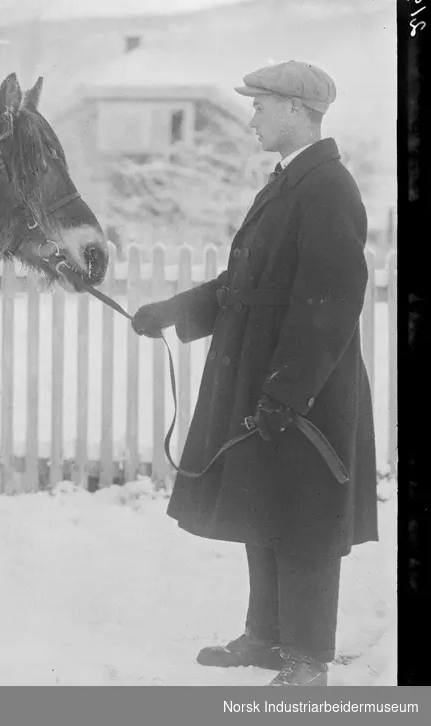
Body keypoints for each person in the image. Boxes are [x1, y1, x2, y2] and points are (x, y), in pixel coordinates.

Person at [131, 60, 378, 687]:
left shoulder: (328, 187)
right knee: (266, 505)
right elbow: (245, 286)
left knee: (304, 520)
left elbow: (330, 303)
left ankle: (308, 660)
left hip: (304, 388)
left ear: (296, 110)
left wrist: (288, 393)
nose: (252, 118)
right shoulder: (288, 182)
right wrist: (173, 312)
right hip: (268, 377)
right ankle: (267, 638)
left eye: (261, 106)